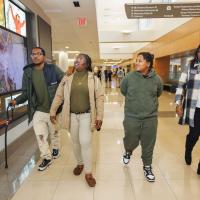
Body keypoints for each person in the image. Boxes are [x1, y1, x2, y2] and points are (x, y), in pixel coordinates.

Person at [50, 53, 104, 187]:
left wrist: (99, 116)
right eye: (76, 58)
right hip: (72, 116)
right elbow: (59, 96)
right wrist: (52, 111)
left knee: (85, 142)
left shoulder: (93, 79)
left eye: (80, 59)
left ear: (86, 63)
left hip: (87, 115)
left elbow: (100, 98)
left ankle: (88, 172)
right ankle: (80, 163)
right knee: (75, 141)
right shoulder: (67, 78)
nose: (77, 60)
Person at [10, 47, 64, 171]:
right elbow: (25, 92)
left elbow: (64, 82)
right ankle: (46, 157)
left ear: (44, 57)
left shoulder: (53, 69)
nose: (35, 56)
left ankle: (56, 148)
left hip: (53, 109)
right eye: (33, 54)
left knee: (54, 132)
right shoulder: (28, 72)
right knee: (40, 135)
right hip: (38, 109)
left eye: (38, 54)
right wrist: (16, 101)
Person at [121, 52, 163, 182]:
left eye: (140, 60)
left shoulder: (157, 79)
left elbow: (159, 92)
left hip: (150, 117)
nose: (136, 63)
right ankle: (128, 150)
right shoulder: (129, 77)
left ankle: (147, 166)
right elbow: (123, 90)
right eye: (136, 60)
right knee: (131, 139)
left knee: (148, 143)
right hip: (132, 116)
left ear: (148, 63)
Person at [175, 44, 200, 175]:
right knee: (194, 135)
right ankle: (188, 149)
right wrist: (178, 103)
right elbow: (180, 85)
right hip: (194, 108)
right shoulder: (190, 67)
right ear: (197, 53)